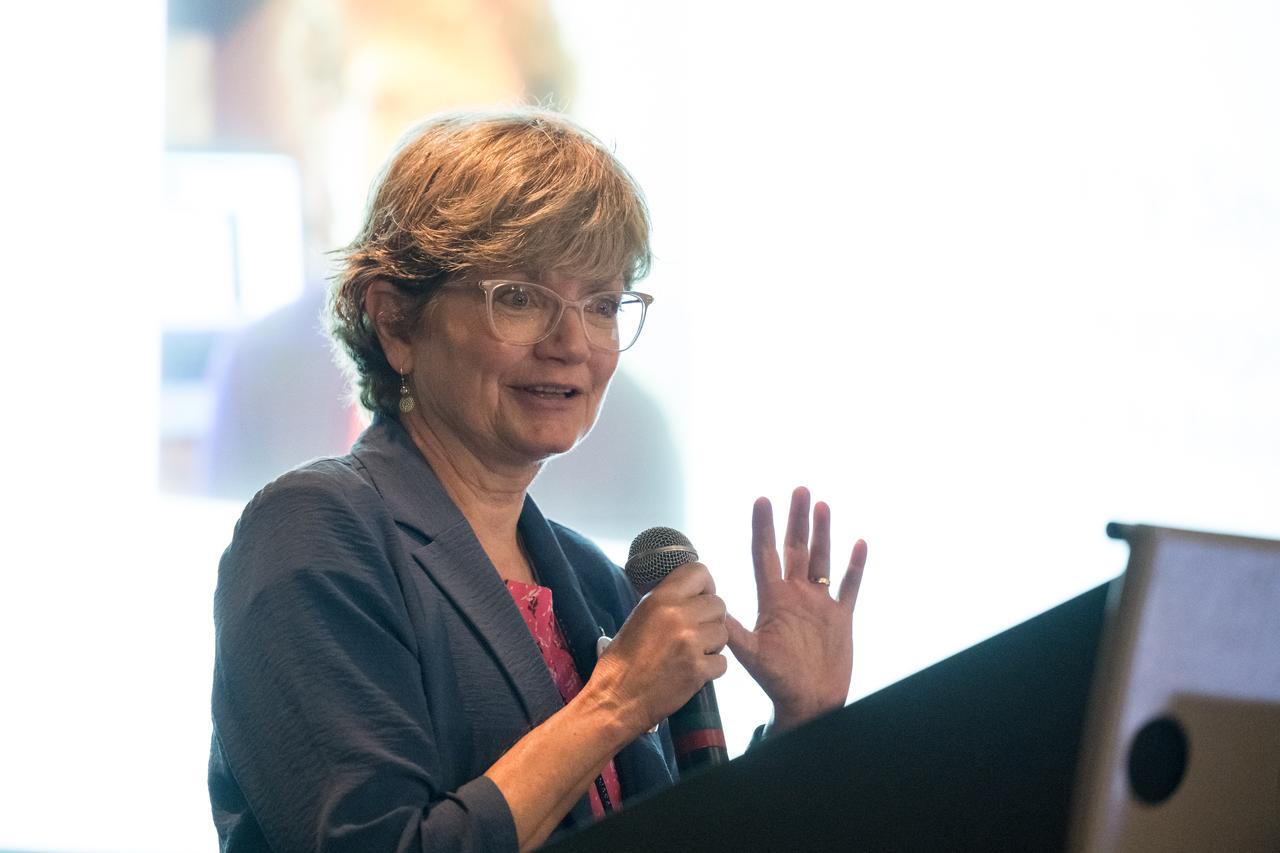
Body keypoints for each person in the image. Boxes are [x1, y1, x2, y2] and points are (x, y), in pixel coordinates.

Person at [208, 108, 868, 852]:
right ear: (395, 321)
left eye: (601, 303)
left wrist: (800, 724)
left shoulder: (590, 579)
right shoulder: (315, 532)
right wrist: (615, 701)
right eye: (520, 296)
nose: (571, 344)